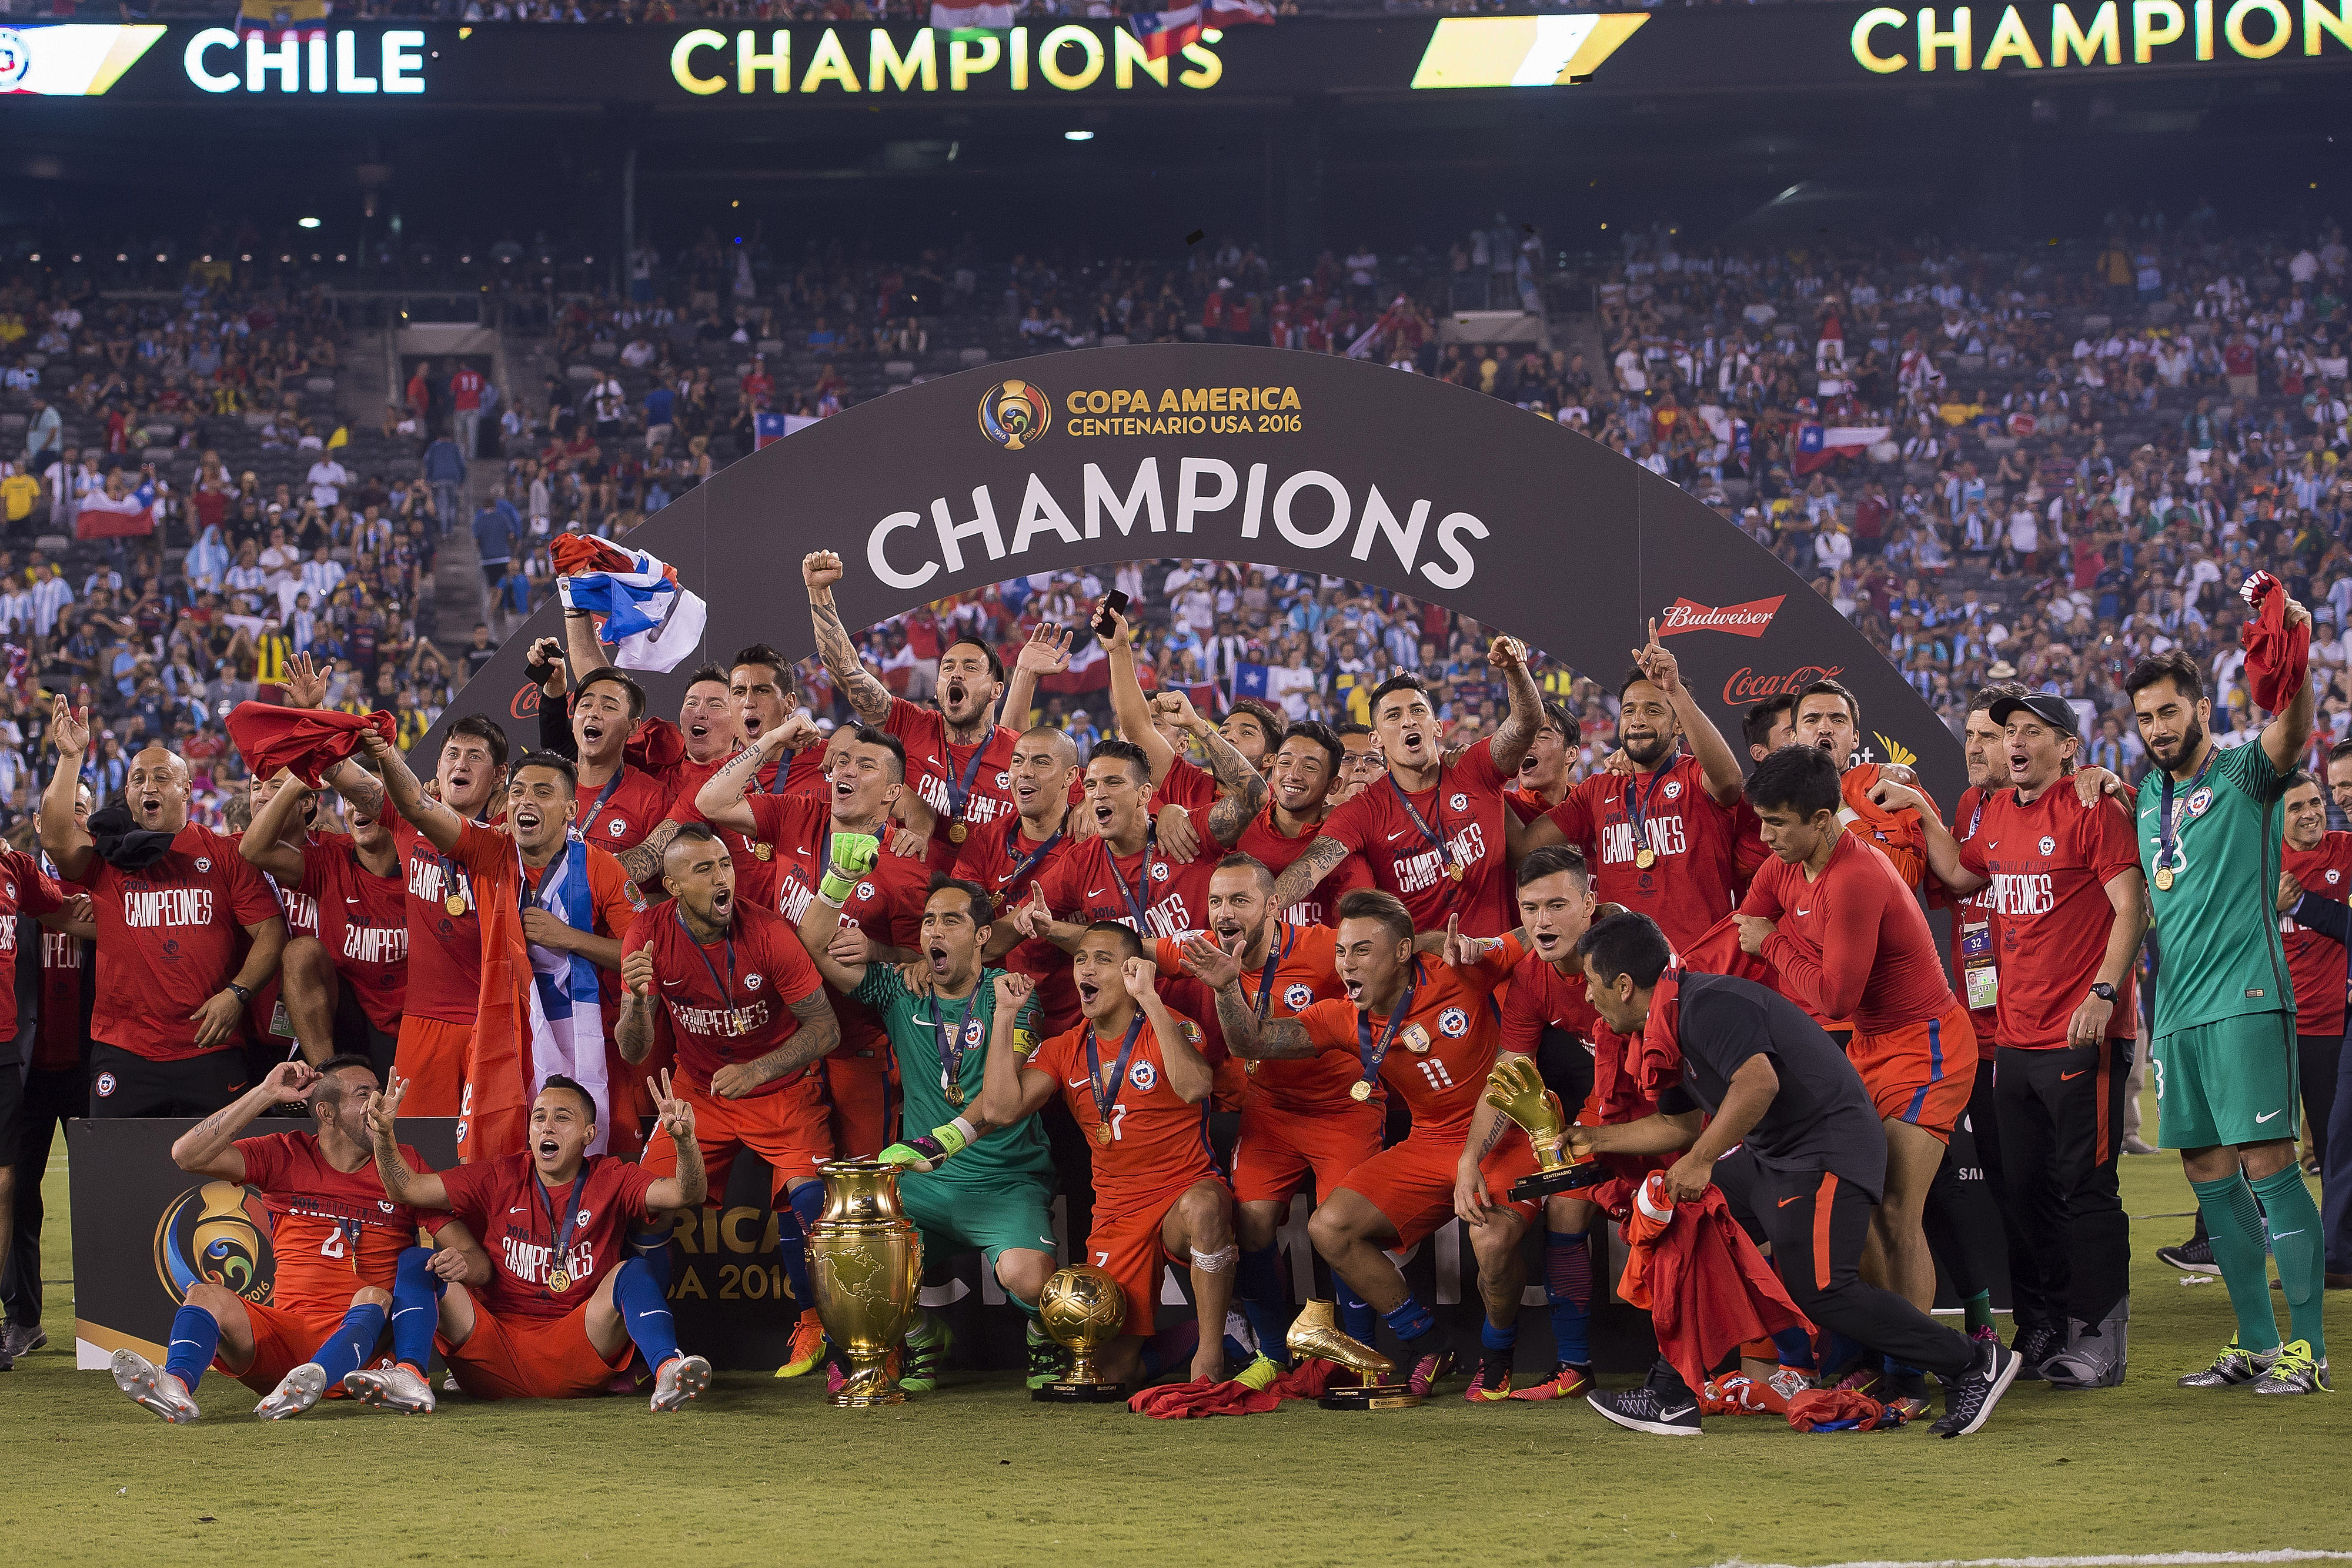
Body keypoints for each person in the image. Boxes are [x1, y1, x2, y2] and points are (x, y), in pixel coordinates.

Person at [1573, 912, 2020, 1438]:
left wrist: (1701, 1159)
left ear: (1624, 986)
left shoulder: (1708, 1003)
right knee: (1691, 1224)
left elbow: (1757, 1084)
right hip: (1777, 1156)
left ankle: (1972, 1361)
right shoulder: (1670, 1020)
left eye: (1590, 983)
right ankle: (1670, 1393)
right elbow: (1680, 1123)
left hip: (1828, 1150)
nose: (1586, 997)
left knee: (1824, 1290)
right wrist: (1592, 1139)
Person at [1892, 693, 2146, 1387]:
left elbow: (2133, 905)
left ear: (2066, 746)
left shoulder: (2094, 806)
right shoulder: (1999, 814)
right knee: (2029, 1190)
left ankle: (2100, 1340)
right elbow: (1959, 872)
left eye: (2030, 732)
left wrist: (2103, 994)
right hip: (2014, 1040)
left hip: (2080, 1030)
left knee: (2087, 1189)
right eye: (2008, 733)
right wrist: (1916, 805)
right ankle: (2050, 1329)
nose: (2014, 743)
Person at [1214, 890, 1542, 1399]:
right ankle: (1426, 1341)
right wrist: (1224, 988)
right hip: (1431, 1140)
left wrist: (1601, 911)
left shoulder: (1459, 968)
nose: (1347, 964)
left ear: (1404, 951)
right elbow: (1252, 1042)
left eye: (1363, 950)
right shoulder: (1342, 1017)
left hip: (1506, 1131)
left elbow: (1542, 935)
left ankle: (1498, 1350)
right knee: (1330, 1227)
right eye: (1342, 952)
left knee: (1493, 1243)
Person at [1736, 744, 1984, 1409]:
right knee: (1867, 1210)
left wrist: (1775, 944)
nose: (1765, 837)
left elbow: (1834, 999)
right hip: (1870, 1052)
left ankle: (1919, 1375)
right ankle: (1896, 1354)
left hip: (1927, 1047)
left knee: (1898, 1211)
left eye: (1778, 824)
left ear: (1822, 820)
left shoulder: (1853, 875)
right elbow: (1747, 921)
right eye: (1761, 822)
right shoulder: (1788, 863)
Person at [2127, 640, 2331, 1395]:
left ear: (2202, 709)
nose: (2157, 727)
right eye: (2145, 717)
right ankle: (2253, 1340)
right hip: (2176, 1012)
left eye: (2170, 711)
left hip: (2246, 999)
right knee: (2207, 1174)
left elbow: (2294, 732)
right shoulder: (2143, 796)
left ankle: (2307, 1353)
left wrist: (2296, 662)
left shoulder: (2244, 773)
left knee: (2270, 1166)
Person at [105, 1058, 473, 1423]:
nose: (378, 1102)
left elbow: (466, 1250)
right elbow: (186, 1155)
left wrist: (459, 1260)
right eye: (365, 1094)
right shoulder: (286, 1153)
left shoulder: (401, 1166)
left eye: (379, 1092)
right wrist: (265, 1093)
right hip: (285, 1336)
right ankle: (177, 1386)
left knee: (374, 1294)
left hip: (363, 1348)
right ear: (327, 1113)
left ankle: (319, 1377)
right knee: (204, 1294)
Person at [808, 874, 1060, 1392]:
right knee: (850, 1253)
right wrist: (836, 884)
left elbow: (1001, 1104)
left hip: (1003, 1181)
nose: (935, 932)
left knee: (1031, 1281)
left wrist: (1004, 1010)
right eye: (928, 921)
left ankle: (1044, 1335)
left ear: (984, 935)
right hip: (923, 1184)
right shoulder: (901, 989)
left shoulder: (1014, 996)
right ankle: (924, 1337)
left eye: (952, 920)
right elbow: (815, 945)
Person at [618, 823, 843, 1384]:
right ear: (672, 886)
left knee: (811, 1199)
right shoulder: (645, 935)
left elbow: (826, 1028)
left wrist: (760, 1068)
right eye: (705, 869)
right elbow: (634, 1049)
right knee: (645, 1203)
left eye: (725, 864)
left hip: (782, 1085)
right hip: (702, 1090)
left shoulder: (768, 932)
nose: (724, 877)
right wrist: (636, 1002)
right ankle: (654, 1350)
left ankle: (817, 1325)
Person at [350, 1072, 714, 1412]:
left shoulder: (612, 1178)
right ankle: (411, 1375)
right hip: (493, 1351)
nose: (547, 1127)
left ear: (589, 1134)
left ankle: (669, 1370)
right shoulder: (501, 1174)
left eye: (562, 1117)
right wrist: (383, 1137)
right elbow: (407, 1188)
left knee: (633, 1271)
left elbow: (687, 1193)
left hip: (579, 1348)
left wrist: (684, 1143)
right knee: (417, 1261)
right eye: (539, 1117)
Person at [361, 735, 641, 1152]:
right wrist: (386, 755)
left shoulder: (603, 869)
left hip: (583, 1034)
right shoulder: (490, 850)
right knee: (497, 1152)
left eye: (543, 792)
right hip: (507, 1031)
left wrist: (568, 939)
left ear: (571, 810)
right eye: (518, 792)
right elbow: (417, 806)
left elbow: (640, 957)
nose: (526, 801)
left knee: (588, 1152)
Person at [983, 921, 1234, 1386]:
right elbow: (1000, 1109)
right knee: (1110, 1372)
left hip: (1182, 1192)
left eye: (1102, 959)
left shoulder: (1174, 1024)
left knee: (1205, 1206)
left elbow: (1196, 1086)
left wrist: (1152, 1000)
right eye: (1080, 959)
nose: (1086, 968)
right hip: (1119, 1211)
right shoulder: (1066, 1047)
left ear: (1132, 969)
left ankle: (1213, 1351)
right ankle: (1188, 1339)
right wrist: (1004, 1016)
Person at [39, 696, 284, 1115]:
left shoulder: (225, 853)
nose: (148, 786)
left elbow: (271, 931)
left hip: (210, 1045)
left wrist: (237, 994)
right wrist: (70, 757)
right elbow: (57, 839)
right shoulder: (107, 858)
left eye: (162, 777)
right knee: (121, 1179)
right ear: (128, 794)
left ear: (187, 789)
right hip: (124, 1051)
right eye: (138, 779)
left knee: (223, 1181)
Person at [700, 720, 929, 1159]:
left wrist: (878, 949)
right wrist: (770, 740)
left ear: (891, 793)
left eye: (865, 765)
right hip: (780, 1038)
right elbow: (711, 801)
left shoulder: (907, 866)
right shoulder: (801, 814)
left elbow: (922, 962)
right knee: (798, 1182)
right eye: (842, 760)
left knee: (864, 1185)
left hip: (855, 1051)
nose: (846, 770)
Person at [1162, 854, 1357, 1361]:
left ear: (1273, 906)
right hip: (1270, 1111)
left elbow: (1385, 956)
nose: (1224, 912)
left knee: (1345, 1225)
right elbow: (1130, 949)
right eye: (1216, 901)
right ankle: (1274, 1355)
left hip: (1341, 1109)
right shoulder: (1203, 951)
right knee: (1248, 1222)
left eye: (1239, 900)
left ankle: (1362, 1355)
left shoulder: (1322, 946)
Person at [305, 655, 510, 1117]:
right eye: (453, 754)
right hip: (424, 1023)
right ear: (437, 767)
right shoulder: (400, 820)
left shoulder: (508, 838)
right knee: (418, 1147)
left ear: (499, 774)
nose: (461, 763)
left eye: (475, 757)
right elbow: (342, 775)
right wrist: (319, 713)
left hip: (493, 1019)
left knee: (491, 1156)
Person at [1266, 644, 1544, 939]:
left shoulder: (1473, 770)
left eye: (1417, 711)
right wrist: (1262, 912)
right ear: (1377, 739)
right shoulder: (1364, 811)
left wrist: (1515, 670)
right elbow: (1310, 868)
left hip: (1495, 966)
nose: (1408, 721)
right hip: (1420, 975)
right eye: (1393, 716)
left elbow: (1527, 724)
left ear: (1437, 727)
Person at [1522, 626, 1748, 952]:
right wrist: (1484, 777)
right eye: (1629, 711)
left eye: (1653, 710)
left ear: (1678, 724)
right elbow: (1523, 846)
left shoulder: (1697, 777)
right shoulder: (1597, 790)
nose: (1637, 720)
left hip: (1701, 968)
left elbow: (1730, 782)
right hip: (1623, 975)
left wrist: (1674, 690)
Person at [806, 550, 1023, 867]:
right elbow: (848, 673)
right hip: (909, 893)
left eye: (971, 668)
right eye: (948, 667)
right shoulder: (911, 723)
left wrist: (1083, 810)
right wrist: (819, 592)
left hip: (987, 899)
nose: (956, 673)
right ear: (937, 686)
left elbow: (1081, 790)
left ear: (996, 690)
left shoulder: (1018, 752)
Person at [4, 781, 95, 1364]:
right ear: (42, 822)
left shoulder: (108, 887)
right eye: (61, 809)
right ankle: (23, 1320)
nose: (70, 816)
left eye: (81, 808)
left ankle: (114, 1319)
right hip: (24, 1066)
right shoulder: (21, 886)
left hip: (94, 1063)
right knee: (17, 1196)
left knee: (104, 1195)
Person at [239, 769, 408, 1078]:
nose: (358, 807)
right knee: (301, 953)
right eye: (349, 799)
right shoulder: (331, 859)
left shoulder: (425, 866)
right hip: (348, 1015)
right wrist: (295, 781)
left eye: (366, 798)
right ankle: (326, 1081)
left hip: (414, 1017)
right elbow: (253, 850)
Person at [955, 724, 1085, 1036]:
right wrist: (1020, 920)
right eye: (1017, 761)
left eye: (1041, 762)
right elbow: (965, 942)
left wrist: (1170, 813)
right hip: (1002, 1015)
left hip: (1080, 1019)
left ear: (1070, 777)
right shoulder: (986, 840)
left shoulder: (1089, 841)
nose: (1024, 772)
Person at [1018, 738, 1218, 939]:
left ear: (1144, 794)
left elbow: (1250, 796)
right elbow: (1019, 923)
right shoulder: (1081, 862)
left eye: (1113, 783)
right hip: (1124, 971)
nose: (1099, 794)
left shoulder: (1187, 833)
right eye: (1090, 785)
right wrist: (1038, 923)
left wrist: (1198, 727)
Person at [1198, 718, 1369, 927]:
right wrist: (1171, 813)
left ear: (1333, 785)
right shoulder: (1238, 826)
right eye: (1286, 763)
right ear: (1274, 770)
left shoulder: (1346, 854)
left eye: (1309, 767)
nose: (1293, 775)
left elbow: (1353, 941)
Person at [2278, 772, 2351, 1175]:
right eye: (2296, 806)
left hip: (2330, 1026)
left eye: (2316, 802)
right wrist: (2265, 904)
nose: (2311, 814)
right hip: (2272, 1024)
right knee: (2255, 1140)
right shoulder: (2259, 862)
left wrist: (2300, 904)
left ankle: (2337, 1237)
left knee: (2332, 1142)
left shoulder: (2346, 850)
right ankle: (2253, 1232)